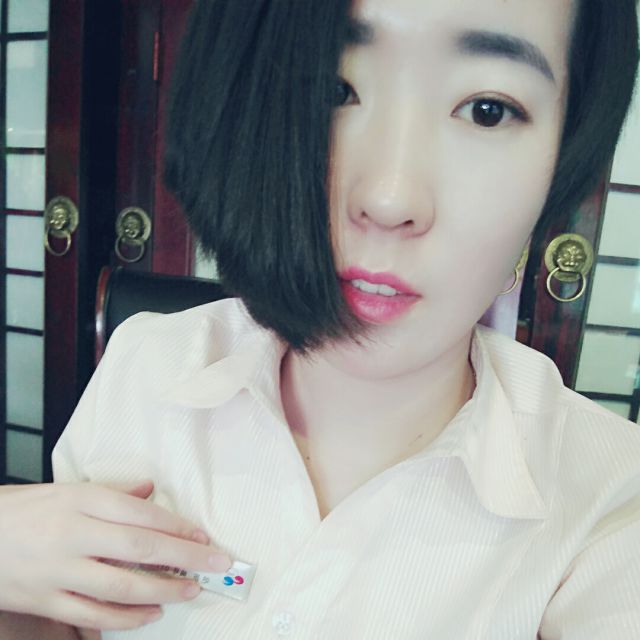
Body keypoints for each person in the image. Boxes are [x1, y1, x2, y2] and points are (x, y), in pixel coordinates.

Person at [2, 0, 640, 637]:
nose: (388, 200)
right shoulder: (144, 364)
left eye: (487, 110)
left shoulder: (607, 502)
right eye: (333, 89)